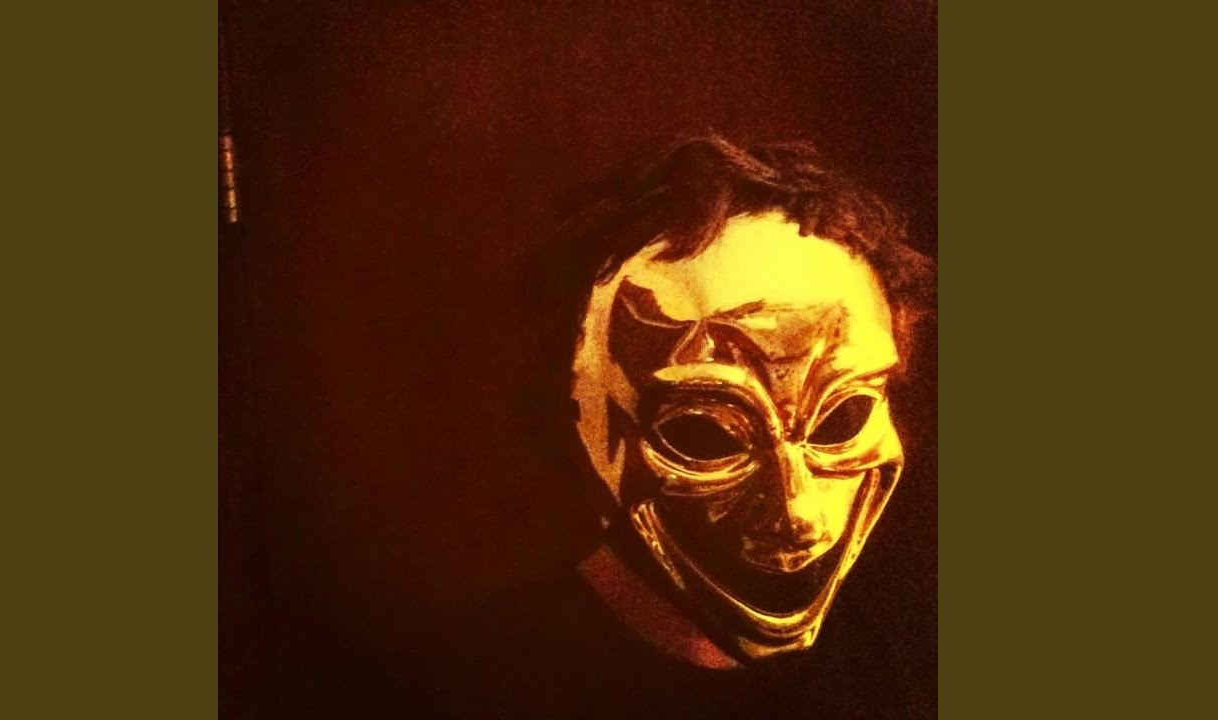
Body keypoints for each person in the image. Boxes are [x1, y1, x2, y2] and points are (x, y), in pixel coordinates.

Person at [390, 135, 936, 720]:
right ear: (576, 420)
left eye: (840, 419)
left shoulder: (921, 661)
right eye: (705, 433)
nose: (796, 513)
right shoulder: (450, 691)